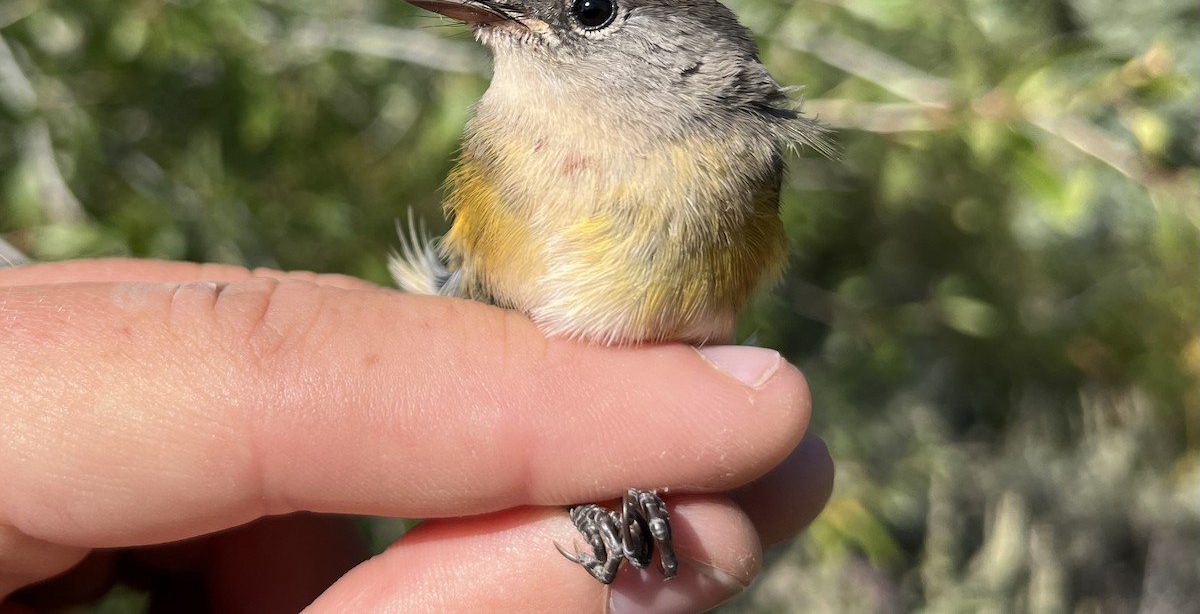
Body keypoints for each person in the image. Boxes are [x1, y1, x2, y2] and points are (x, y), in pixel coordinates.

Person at [0, 259, 833, 612]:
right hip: (514, 428)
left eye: (585, 14)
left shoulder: (741, 150)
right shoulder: (507, 142)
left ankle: (616, 497)